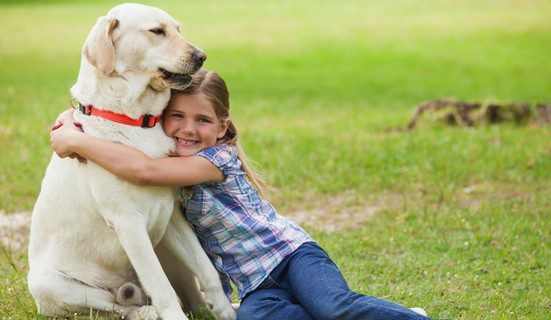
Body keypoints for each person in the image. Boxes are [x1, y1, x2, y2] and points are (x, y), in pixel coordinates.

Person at [50, 69, 433, 320]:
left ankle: (412, 317)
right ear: (161, 117)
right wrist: (75, 117)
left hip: (291, 256)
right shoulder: (169, 153)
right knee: (255, 318)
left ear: (222, 128)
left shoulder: (217, 159)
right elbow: (133, 147)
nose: (187, 129)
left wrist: (75, 140)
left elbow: (142, 171)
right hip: (253, 284)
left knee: (334, 307)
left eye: (202, 120)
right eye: (178, 117)